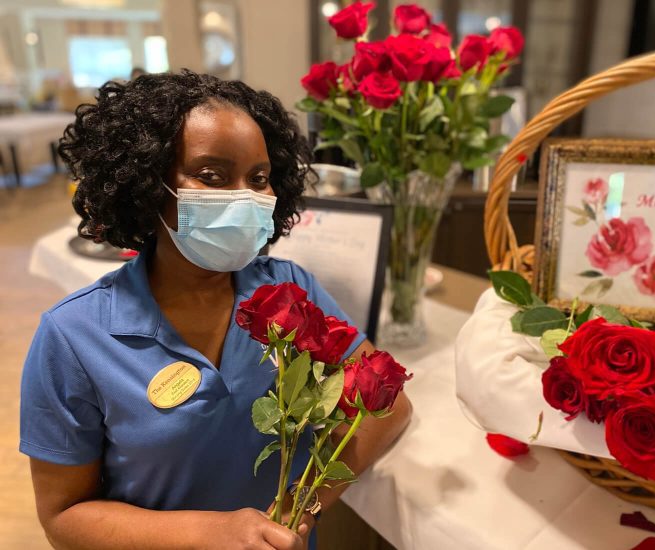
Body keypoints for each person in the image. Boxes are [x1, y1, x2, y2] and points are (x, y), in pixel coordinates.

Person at [19, 70, 411, 550]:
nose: (244, 195)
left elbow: (384, 405)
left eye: (259, 178)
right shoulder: (75, 337)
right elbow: (64, 515)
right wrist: (210, 534)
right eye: (211, 175)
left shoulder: (288, 291)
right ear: (147, 182)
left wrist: (295, 511)